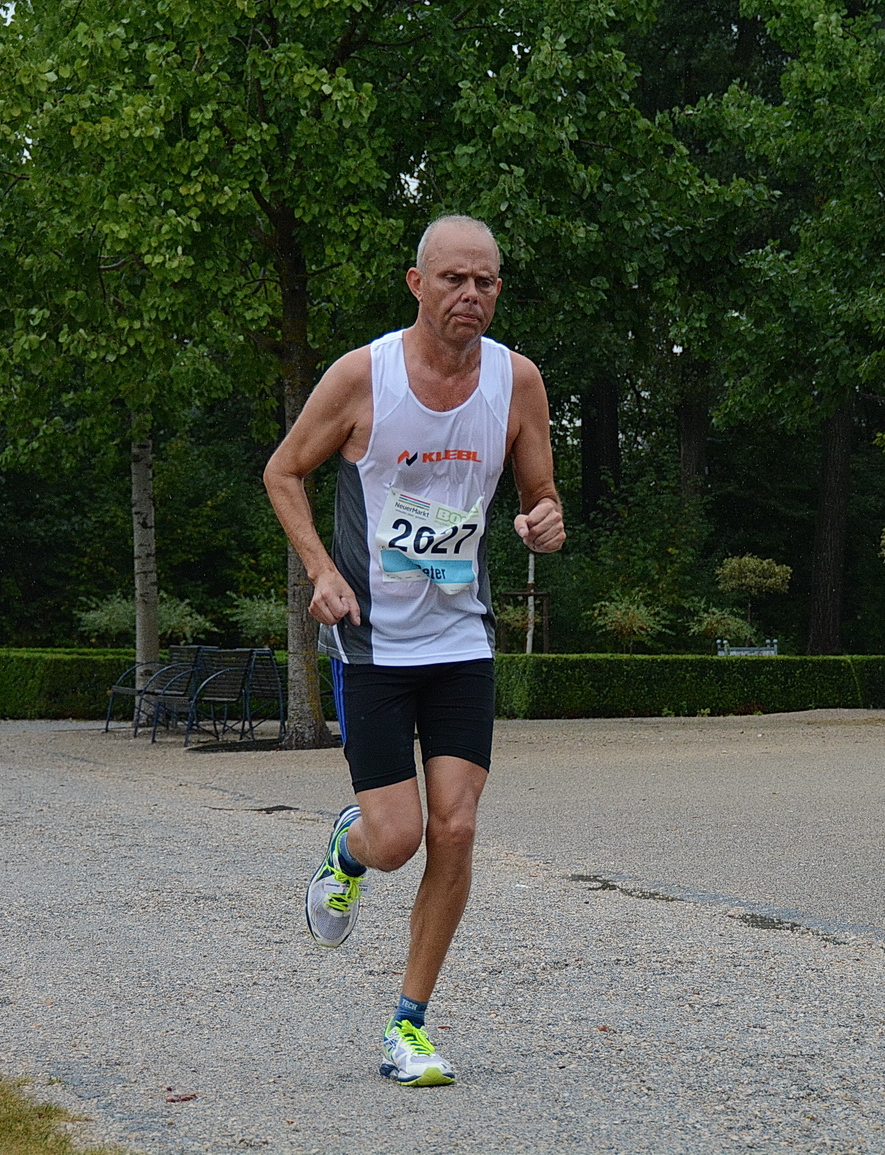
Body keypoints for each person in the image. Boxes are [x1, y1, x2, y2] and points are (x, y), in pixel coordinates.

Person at [264, 214, 564, 1087]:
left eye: (487, 281)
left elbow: (542, 496)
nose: (471, 294)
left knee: (457, 827)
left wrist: (543, 521)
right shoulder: (364, 376)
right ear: (416, 283)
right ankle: (349, 851)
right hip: (371, 642)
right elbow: (284, 470)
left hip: (461, 635)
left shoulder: (519, 382)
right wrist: (321, 569)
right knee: (397, 837)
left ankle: (410, 1023)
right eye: (453, 279)